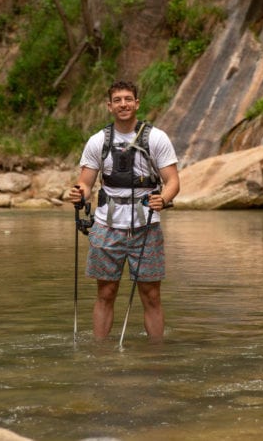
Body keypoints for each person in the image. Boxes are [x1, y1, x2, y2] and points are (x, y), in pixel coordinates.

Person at [69, 80, 180, 341]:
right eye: (117, 100)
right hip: (106, 225)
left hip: (146, 226)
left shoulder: (157, 138)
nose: (123, 104)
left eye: (128, 99)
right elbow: (85, 183)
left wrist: (162, 199)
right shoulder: (98, 141)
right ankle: (100, 354)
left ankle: (156, 355)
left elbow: (173, 182)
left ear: (137, 103)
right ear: (109, 106)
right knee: (105, 293)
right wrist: (78, 194)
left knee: (151, 295)